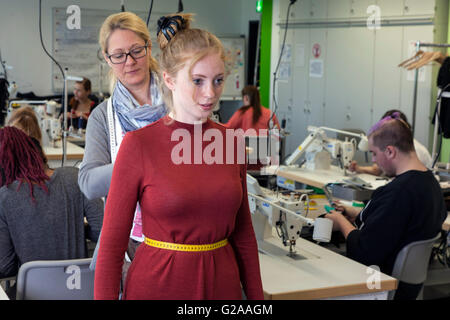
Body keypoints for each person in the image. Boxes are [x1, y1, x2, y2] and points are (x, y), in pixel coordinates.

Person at [94, 13, 264, 300]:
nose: (210, 93)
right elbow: (111, 247)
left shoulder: (230, 143)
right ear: (169, 80)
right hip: (157, 285)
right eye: (197, 80)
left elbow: (244, 236)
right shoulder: (138, 145)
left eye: (218, 80)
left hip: (222, 286)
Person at [78, 11, 167, 276]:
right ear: (107, 59)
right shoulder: (103, 117)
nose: (129, 61)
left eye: (136, 51)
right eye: (118, 55)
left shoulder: (181, 103)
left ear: (149, 47)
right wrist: (138, 162)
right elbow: (89, 184)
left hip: (180, 238)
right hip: (131, 244)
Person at [326, 114, 446, 300]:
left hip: (381, 285)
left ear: (390, 151)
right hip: (410, 288)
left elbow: (363, 253)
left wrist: (340, 221)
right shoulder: (430, 184)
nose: (374, 161)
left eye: (374, 154)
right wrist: (357, 213)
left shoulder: (398, 192)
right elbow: (397, 223)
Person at [0, 127, 103, 283]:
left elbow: (5, 266)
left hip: (34, 292)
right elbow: (103, 230)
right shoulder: (75, 178)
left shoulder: (5, 197)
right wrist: (73, 226)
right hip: (78, 290)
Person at [349, 109, 432, 175]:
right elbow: (378, 169)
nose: (373, 160)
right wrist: (358, 168)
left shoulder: (415, 151)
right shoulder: (398, 146)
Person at [225, 85, 280, 171]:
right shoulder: (269, 113)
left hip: (246, 165)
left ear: (246, 98)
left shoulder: (242, 112)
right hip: (265, 165)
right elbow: (277, 137)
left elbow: (226, 130)